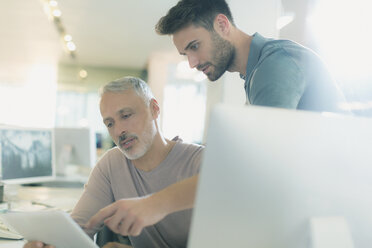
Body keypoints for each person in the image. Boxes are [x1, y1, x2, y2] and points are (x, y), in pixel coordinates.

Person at [24, 77, 203, 248]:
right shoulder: (112, 164)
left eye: (126, 115)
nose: (118, 131)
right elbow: (79, 229)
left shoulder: (200, 161)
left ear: (154, 109)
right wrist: (51, 243)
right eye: (109, 124)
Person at [156, 0, 350, 113]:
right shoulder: (255, 73)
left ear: (222, 26)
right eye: (185, 54)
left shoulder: (274, 64)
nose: (192, 63)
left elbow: (265, 151)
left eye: (195, 46)